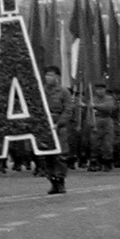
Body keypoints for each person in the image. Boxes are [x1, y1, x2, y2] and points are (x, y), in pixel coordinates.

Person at [41, 65, 73, 195]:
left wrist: (58, 123)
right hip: (45, 127)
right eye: (47, 75)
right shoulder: (41, 91)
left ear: (58, 77)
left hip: (59, 127)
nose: (48, 78)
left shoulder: (64, 92)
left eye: (51, 75)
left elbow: (68, 110)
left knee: (60, 156)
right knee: (47, 155)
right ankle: (52, 181)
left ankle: (60, 181)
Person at [89, 83, 118, 171]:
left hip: (107, 120)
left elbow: (108, 107)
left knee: (108, 143)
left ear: (105, 90)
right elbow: (89, 113)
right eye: (98, 89)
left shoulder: (109, 99)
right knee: (95, 143)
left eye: (101, 89)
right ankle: (95, 162)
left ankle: (107, 162)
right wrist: (91, 123)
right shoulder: (92, 99)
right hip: (96, 120)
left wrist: (96, 106)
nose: (100, 91)